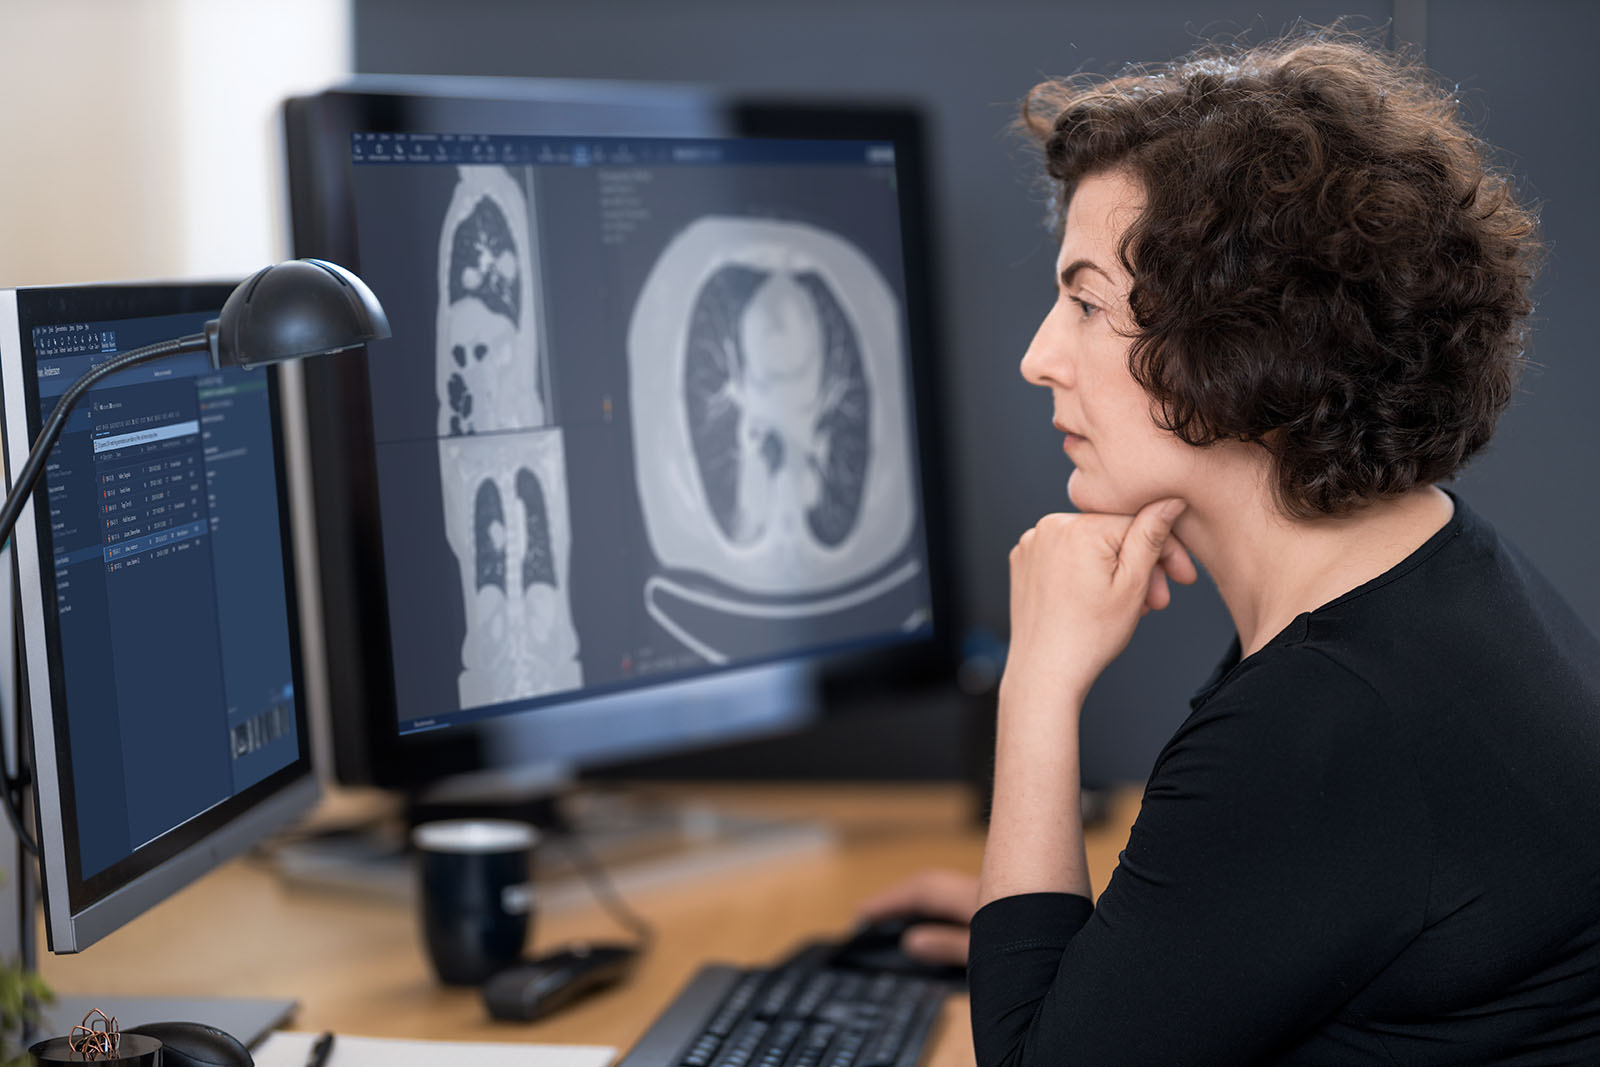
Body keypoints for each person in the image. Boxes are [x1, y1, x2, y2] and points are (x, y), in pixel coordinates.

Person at [860, 31, 1600, 1064]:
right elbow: (1294, 904)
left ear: (1240, 342)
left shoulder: (1328, 718)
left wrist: (1037, 684)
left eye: (1083, 303)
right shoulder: (1433, 576)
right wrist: (1070, 933)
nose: (1038, 357)